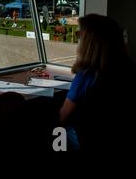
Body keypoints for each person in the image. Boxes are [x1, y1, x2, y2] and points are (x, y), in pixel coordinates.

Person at [58, 14, 136, 151]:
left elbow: (62, 116)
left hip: (89, 142)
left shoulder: (86, 75)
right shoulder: (128, 69)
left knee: (56, 132)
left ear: (89, 42)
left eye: (79, 34)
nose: (78, 38)